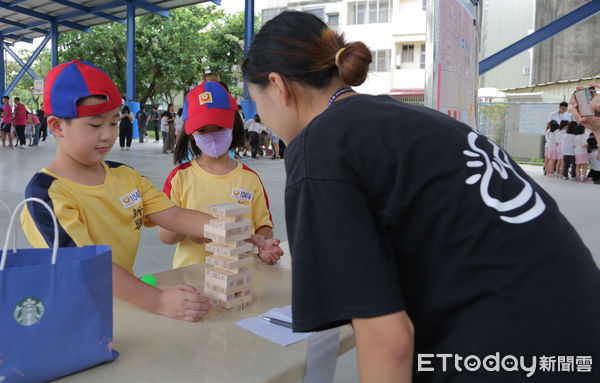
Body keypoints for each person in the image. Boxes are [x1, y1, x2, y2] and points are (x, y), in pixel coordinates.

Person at [242, 11, 600, 382]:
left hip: (510, 352)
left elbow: (388, 342)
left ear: (278, 85)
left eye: (257, 101)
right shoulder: (404, 119)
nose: (263, 118)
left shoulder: (319, 145)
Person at [20, 61, 213, 322]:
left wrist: (238, 233)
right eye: (95, 125)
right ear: (56, 126)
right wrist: (158, 300)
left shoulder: (127, 177)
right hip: (75, 315)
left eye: (113, 123)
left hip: (125, 301)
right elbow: (87, 264)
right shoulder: (46, 195)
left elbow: (176, 218)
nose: (108, 136)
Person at [159, 81, 283, 268]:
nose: (212, 135)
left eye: (219, 127)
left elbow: (264, 226)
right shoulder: (179, 178)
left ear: (232, 125)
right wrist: (188, 227)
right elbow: (164, 235)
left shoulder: (250, 179)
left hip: (240, 275)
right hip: (190, 279)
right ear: (191, 133)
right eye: (202, 130)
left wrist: (263, 244)